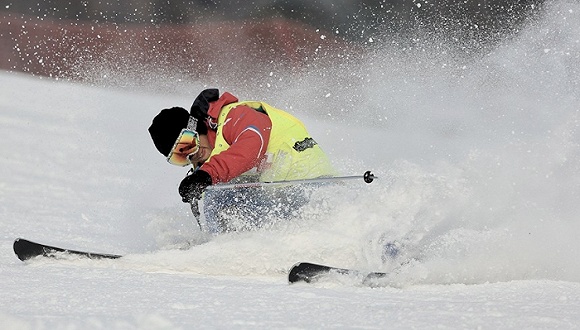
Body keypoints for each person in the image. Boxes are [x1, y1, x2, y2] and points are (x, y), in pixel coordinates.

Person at [148, 88, 337, 233]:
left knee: (219, 197)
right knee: (222, 195)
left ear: (196, 127)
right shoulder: (215, 157)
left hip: (311, 187)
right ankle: (233, 247)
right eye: (179, 157)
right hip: (285, 194)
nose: (191, 156)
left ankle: (227, 249)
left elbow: (251, 145)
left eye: (187, 145)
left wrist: (207, 175)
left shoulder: (233, 116)